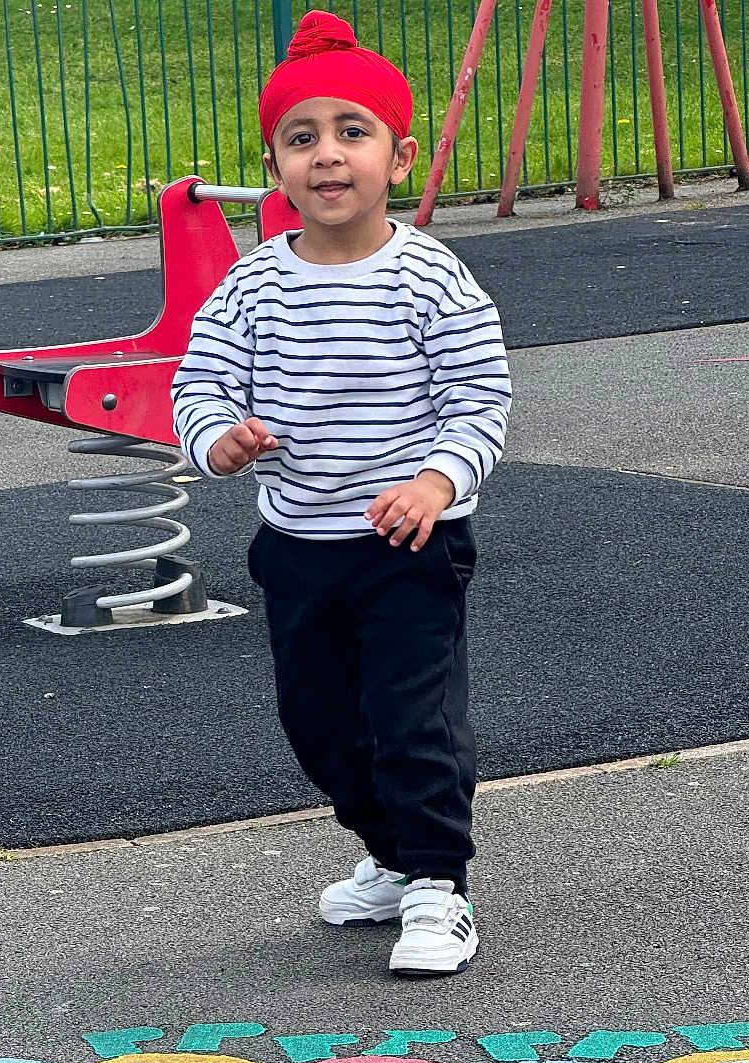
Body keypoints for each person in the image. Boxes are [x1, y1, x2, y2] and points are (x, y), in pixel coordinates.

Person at [172, 10, 512, 977]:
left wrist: (436, 480)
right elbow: (200, 386)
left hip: (411, 546)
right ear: (276, 164)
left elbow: (480, 400)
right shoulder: (250, 286)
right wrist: (219, 440)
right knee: (317, 720)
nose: (328, 156)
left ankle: (440, 884)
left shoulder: (429, 277)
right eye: (302, 137)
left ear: (399, 157)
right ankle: (389, 856)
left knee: (412, 718)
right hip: (298, 543)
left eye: (352, 133)